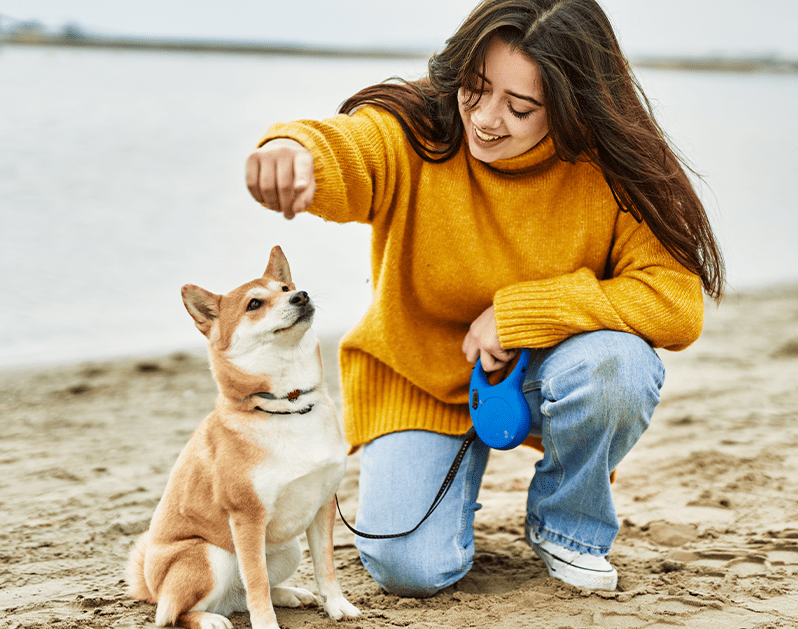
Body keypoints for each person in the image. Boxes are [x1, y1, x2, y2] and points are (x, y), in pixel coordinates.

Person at [244, 0, 724, 596]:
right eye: (476, 89)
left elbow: (674, 303)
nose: (487, 119)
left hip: (544, 374)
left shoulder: (615, 168)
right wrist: (296, 152)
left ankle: (568, 526)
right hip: (419, 377)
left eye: (520, 107)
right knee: (409, 570)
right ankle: (442, 489)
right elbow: (354, 146)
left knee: (618, 364)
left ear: (574, 107)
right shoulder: (422, 127)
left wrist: (519, 315)